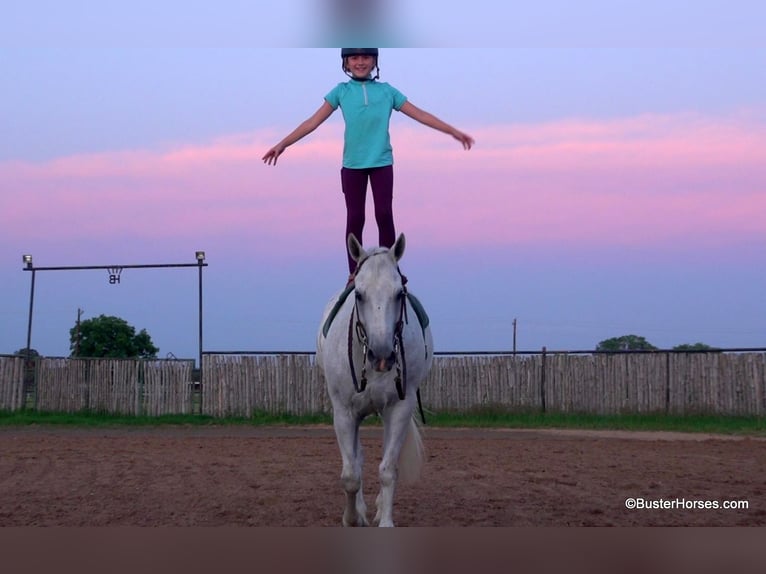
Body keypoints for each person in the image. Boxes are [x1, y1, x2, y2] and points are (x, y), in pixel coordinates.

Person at [262, 48, 474, 285]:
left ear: (374, 61)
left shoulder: (387, 91)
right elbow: (312, 121)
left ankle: (390, 267)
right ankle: (354, 271)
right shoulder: (341, 91)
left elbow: (421, 115)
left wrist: (453, 131)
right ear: (346, 62)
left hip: (382, 162)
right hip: (353, 165)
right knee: (355, 218)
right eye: (354, 58)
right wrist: (283, 144)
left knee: (384, 214)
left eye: (365, 57)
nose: (360, 62)